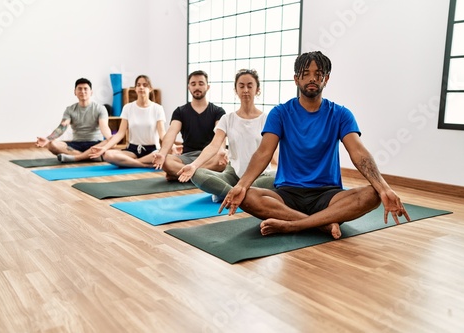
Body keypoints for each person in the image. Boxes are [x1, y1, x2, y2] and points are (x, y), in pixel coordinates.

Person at [220, 51, 410, 239]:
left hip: (328, 195)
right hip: (287, 194)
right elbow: (263, 152)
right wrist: (242, 185)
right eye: (306, 74)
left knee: (372, 195)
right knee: (245, 195)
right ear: (296, 79)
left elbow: (359, 152)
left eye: (318, 74)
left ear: (326, 79)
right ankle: (323, 224)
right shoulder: (280, 113)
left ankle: (293, 225)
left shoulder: (340, 114)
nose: (312, 79)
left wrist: (384, 188)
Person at [177, 69, 276, 202]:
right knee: (197, 174)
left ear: (257, 89)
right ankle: (239, 194)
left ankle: (227, 192)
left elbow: (271, 151)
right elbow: (213, 145)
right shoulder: (227, 118)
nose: (245, 90)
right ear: (236, 90)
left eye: (250, 85)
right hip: (233, 174)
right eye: (241, 86)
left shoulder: (267, 119)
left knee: (278, 178)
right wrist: (194, 165)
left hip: (259, 175)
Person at [153, 70, 227, 180]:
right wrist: (162, 153)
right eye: (193, 84)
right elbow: (171, 133)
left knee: (222, 161)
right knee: (166, 161)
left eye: (201, 83)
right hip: (187, 157)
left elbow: (220, 136)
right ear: (189, 87)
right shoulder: (180, 111)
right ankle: (200, 175)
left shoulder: (218, 111)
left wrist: (222, 150)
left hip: (209, 157)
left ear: (208, 87)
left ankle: (184, 173)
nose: (197, 87)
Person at [89, 75, 166, 167]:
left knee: (162, 155)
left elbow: (162, 133)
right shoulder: (128, 107)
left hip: (152, 150)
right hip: (132, 150)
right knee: (107, 155)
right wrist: (104, 148)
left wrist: (172, 145)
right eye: (138, 85)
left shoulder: (158, 108)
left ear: (150, 89)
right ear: (135, 89)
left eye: (145, 85)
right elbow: (120, 133)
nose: (141, 87)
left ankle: (130, 162)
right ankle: (144, 164)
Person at [36, 78, 112, 162]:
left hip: (95, 143)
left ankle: (77, 158)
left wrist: (110, 139)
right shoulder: (70, 110)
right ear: (75, 92)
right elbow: (62, 127)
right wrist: (48, 139)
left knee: (108, 142)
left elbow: (104, 127)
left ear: (91, 92)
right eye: (79, 89)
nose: (83, 91)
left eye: (85, 89)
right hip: (76, 144)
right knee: (51, 144)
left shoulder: (100, 109)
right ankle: (90, 156)